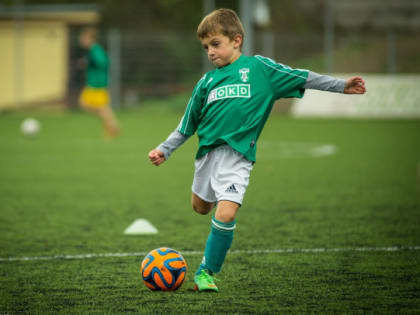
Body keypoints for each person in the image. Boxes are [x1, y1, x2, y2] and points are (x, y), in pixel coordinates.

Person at [148, 8, 366, 292]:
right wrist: (165, 150)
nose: (210, 52)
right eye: (205, 47)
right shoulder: (206, 82)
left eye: (216, 44)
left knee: (225, 214)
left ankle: (206, 271)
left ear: (236, 40)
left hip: (238, 158)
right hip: (207, 157)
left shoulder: (260, 70)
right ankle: (217, 206)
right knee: (200, 208)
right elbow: (187, 124)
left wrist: (341, 85)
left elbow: (302, 77)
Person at [79, 27, 120, 138]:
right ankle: (111, 125)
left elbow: (103, 62)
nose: (82, 40)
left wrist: (89, 62)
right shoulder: (93, 50)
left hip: (97, 84)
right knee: (91, 106)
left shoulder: (95, 50)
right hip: (94, 83)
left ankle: (112, 126)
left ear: (90, 38)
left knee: (99, 107)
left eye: (84, 38)